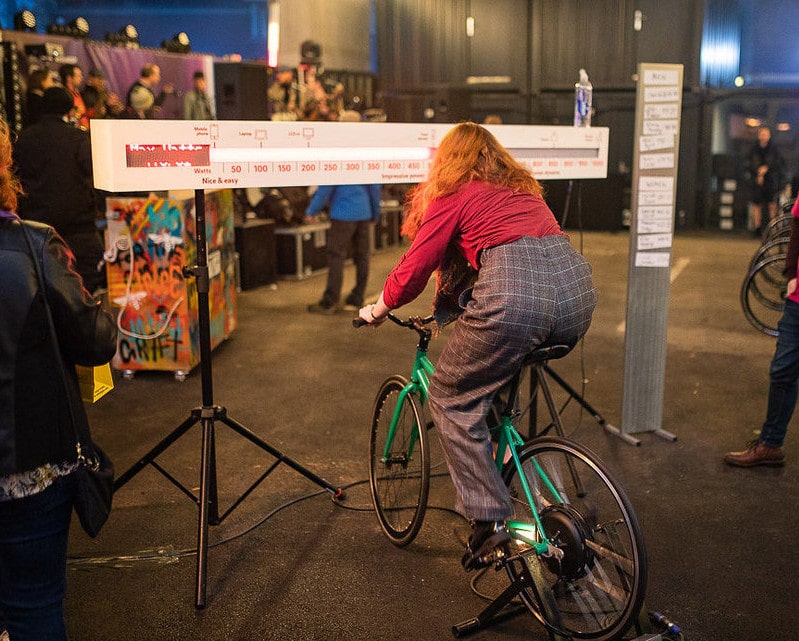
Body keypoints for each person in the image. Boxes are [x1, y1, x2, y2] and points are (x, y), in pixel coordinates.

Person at [358, 122, 597, 570]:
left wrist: (379, 307)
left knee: (449, 395)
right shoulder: (522, 191)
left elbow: (415, 267)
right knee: (492, 376)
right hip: (576, 296)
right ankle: (513, 464)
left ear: (449, 159)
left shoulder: (455, 194)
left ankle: (488, 523)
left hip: (515, 297)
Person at [0, 115, 117, 641]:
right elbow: (95, 341)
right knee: (35, 608)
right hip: (29, 466)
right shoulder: (33, 246)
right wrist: (104, 311)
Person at [725, 191, 799, 467]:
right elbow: (797, 227)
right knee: (782, 370)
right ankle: (770, 444)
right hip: (797, 300)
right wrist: (791, 273)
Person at [12, 87, 107, 295]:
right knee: (88, 285)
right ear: (69, 109)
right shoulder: (78, 139)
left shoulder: (24, 139)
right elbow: (96, 175)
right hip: (79, 227)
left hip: (37, 228)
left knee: (44, 288)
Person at [307, 111, 382, 313]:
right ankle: (356, 299)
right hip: (364, 213)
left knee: (336, 257)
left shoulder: (337, 153)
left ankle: (330, 301)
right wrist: (375, 213)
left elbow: (326, 187)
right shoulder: (366, 153)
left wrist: (312, 210)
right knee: (362, 257)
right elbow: (375, 187)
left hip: (342, 214)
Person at [747, 125, 784, 237]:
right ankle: (757, 229)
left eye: (766, 134)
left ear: (769, 135)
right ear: (759, 135)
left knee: (772, 204)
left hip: (771, 179)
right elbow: (749, 163)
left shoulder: (774, 149)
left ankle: (772, 229)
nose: (764, 136)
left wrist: (766, 169)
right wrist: (758, 172)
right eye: (762, 134)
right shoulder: (753, 149)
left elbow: (778, 163)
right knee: (756, 204)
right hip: (756, 180)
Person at [58, 63, 88, 130]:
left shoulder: (77, 94)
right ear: (69, 78)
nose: (81, 78)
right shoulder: (63, 96)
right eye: (78, 76)